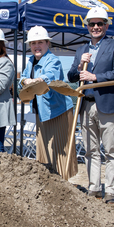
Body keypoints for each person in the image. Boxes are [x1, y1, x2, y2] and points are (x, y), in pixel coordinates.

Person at [68, 7, 114, 205]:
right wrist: (79, 67)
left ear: (106, 25)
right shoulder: (81, 50)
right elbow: (71, 76)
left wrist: (95, 77)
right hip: (85, 104)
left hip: (108, 104)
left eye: (99, 23)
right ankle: (94, 187)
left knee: (111, 150)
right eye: (92, 24)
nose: (95, 27)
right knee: (90, 150)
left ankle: (110, 191)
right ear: (87, 26)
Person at [20, 26, 75, 176]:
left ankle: (63, 186)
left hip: (58, 111)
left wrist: (35, 80)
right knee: (43, 152)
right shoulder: (30, 61)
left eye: (40, 42)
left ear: (47, 43)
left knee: (59, 152)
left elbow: (50, 76)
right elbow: (22, 78)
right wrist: (26, 80)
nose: (36, 46)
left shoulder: (53, 60)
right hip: (41, 113)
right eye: (33, 43)